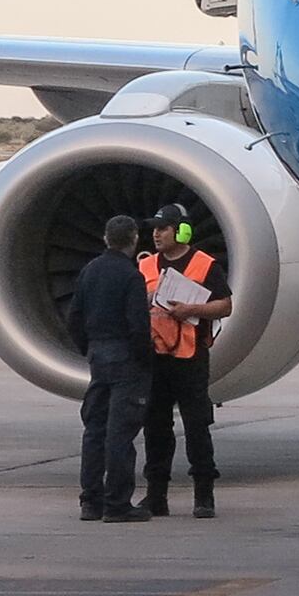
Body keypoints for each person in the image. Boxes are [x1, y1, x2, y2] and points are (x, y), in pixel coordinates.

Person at [140, 200, 233, 519]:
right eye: (154, 229)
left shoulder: (205, 265)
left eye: (163, 228)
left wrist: (191, 310)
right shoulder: (146, 265)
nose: (156, 235)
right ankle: (156, 495)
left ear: (182, 231)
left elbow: (225, 307)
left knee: (196, 426)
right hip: (156, 358)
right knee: (155, 427)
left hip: (190, 358)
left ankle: (203, 495)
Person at [67, 215, 154, 524]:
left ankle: (90, 502)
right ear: (133, 240)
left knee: (94, 431)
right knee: (120, 433)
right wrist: (146, 360)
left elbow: (74, 317)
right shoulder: (131, 276)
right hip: (125, 357)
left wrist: (88, 350)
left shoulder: (90, 271)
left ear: (106, 239)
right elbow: (138, 326)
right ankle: (117, 503)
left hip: (98, 355)